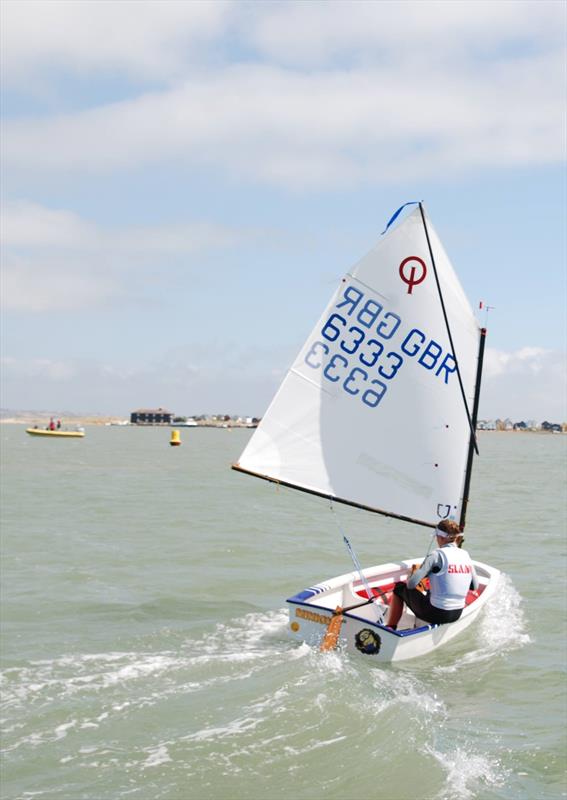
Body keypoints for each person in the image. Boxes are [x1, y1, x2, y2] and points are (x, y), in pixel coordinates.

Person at [386, 519, 479, 630]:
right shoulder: (465, 555)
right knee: (431, 593)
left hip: (436, 614)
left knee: (399, 588)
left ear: (440, 537)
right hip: (457, 613)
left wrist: (413, 573)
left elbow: (411, 584)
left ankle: (391, 627)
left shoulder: (436, 555)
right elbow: (474, 586)